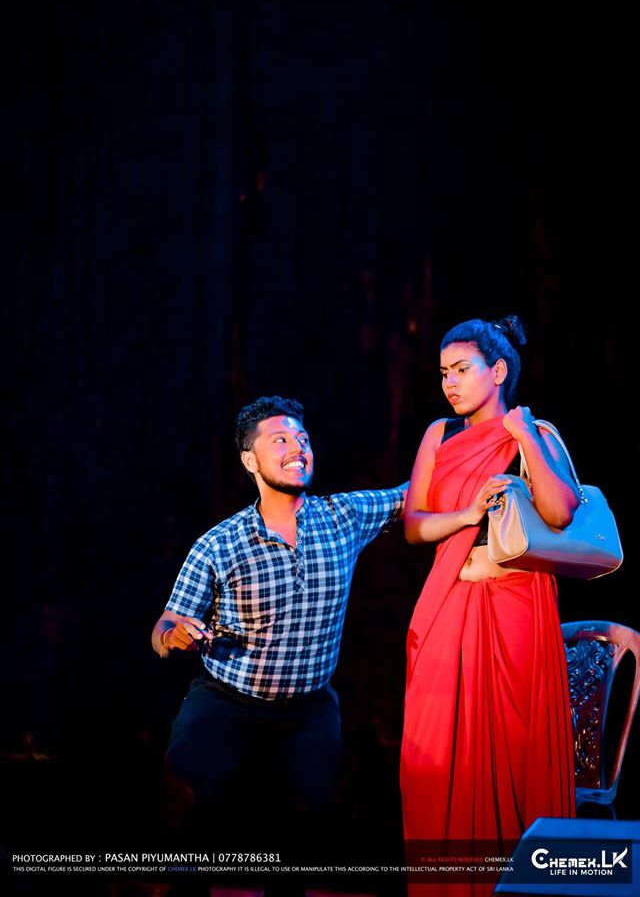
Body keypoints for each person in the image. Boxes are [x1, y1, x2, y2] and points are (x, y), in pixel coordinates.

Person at [151, 394, 407, 896]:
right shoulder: (220, 543)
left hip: (307, 706)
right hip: (227, 699)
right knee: (185, 788)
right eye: (281, 440)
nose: (298, 449)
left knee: (306, 821)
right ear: (250, 461)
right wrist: (172, 636)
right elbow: (164, 625)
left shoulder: (342, 517)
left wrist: (471, 443)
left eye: (303, 439)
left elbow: (409, 495)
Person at [400, 316, 578, 896]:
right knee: (437, 754)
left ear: (498, 371)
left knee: (515, 752)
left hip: (517, 607)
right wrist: (468, 514)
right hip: (450, 604)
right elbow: (414, 524)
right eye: (443, 373)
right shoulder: (439, 434)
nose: (449, 383)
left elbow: (560, 513)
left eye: (462, 369)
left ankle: (523, 885)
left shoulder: (533, 430)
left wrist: (523, 435)